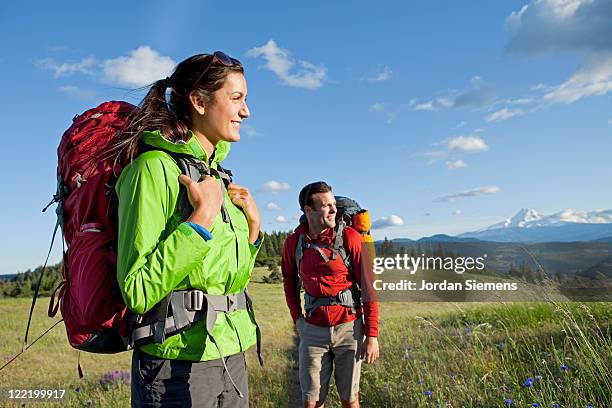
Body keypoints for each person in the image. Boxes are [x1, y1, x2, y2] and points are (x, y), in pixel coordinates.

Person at [114, 51, 262, 407]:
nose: (246, 112)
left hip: (230, 353)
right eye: (236, 99)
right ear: (198, 101)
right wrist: (200, 221)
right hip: (175, 364)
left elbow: (228, 282)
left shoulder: (217, 178)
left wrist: (253, 230)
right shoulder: (151, 170)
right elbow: (137, 290)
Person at [282, 181, 380, 408]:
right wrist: (298, 320)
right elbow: (289, 281)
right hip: (313, 330)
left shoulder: (350, 238)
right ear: (309, 211)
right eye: (326, 205)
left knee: (350, 399)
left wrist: (372, 336)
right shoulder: (294, 243)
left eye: (334, 204)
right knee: (312, 402)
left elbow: (368, 287)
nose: (334, 210)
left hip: (349, 329)